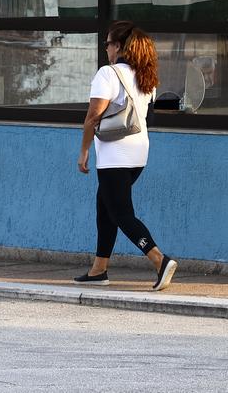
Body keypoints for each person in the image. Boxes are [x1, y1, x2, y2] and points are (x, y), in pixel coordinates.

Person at [76, 21, 178, 291]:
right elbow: (149, 116)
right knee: (105, 206)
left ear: (118, 46)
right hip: (138, 153)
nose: (106, 48)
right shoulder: (145, 78)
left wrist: (84, 150)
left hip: (114, 155)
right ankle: (99, 269)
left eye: (108, 43)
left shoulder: (107, 75)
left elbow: (92, 118)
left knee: (121, 213)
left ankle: (159, 260)